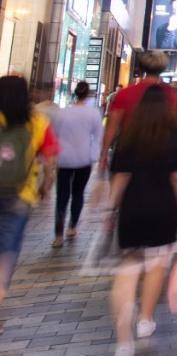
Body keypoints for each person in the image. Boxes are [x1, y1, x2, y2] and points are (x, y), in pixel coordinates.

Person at [108, 86, 177, 355]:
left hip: (132, 210)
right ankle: (145, 320)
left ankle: (124, 341)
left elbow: (120, 179)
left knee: (128, 270)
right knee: (156, 267)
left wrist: (109, 211)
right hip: (164, 210)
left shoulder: (128, 139)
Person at [0, 76, 57, 301]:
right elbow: (50, 159)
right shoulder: (37, 121)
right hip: (20, 195)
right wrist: (46, 184)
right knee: (8, 248)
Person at [100, 51, 177, 172]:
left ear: (142, 68)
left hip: (128, 150)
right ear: (162, 69)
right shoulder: (171, 94)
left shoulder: (125, 93)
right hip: (160, 152)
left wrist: (104, 153)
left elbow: (112, 127)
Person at [50, 81, 101, 248]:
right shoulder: (93, 114)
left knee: (62, 195)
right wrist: (94, 156)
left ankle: (58, 235)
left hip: (63, 159)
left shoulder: (62, 113)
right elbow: (98, 136)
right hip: (83, 159)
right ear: (88, 94)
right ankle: (72, 226)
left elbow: (53, 135)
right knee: (78, 193)